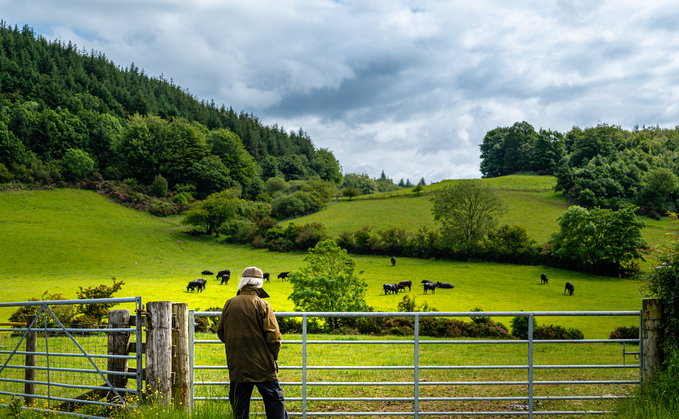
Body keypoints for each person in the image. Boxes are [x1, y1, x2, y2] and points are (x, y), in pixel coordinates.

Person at [217, 267, 289, 419]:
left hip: (237, 364)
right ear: (259, 283)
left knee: (239, 403)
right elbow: (274, 337)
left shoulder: (229, 303)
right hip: (262, 364)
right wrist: (272, 357)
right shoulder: (262, 305)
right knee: (274, 399)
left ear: (242, 282)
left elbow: (221, 333)